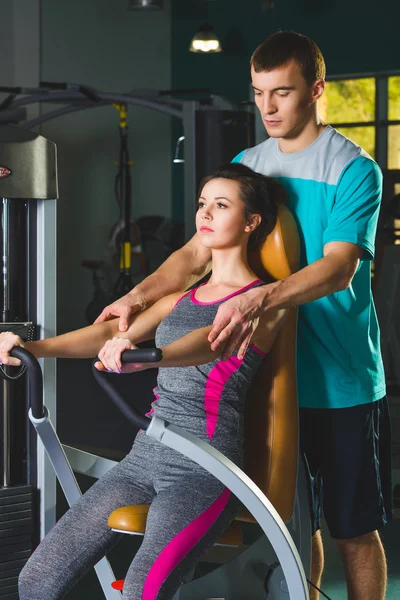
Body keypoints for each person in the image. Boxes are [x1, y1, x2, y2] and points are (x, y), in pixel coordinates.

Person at [94, 31, 393, 600]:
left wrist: (258, 297)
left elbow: (338, 270)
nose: (269, 108)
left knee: (354, 529)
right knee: (289, 523)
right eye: (258, 93)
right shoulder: (246, 164)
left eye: (282, 92)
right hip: (263, 377)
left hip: (339, 381)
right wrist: (136, 296)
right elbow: (193, 254)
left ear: (317, 89)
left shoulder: (355, 170)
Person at [0, 164, 288, 600]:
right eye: (202, 204)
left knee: (142, 591)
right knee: (35, 580)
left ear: (252, 222)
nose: (206, 214)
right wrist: (31, 348)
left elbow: (208, 343)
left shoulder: (262, 305)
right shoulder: (180, 298)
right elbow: (110, 334)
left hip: (204, 467)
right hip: (143, 459)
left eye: (221, 206)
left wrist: (152, 358)